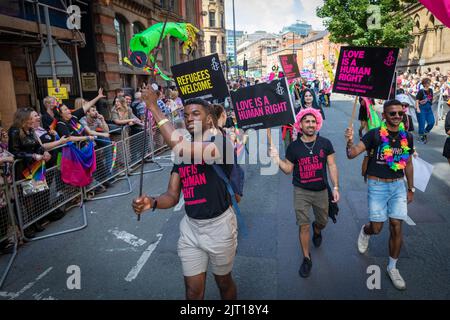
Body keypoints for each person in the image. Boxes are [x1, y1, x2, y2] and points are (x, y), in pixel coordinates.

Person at [133, 88, 238, 300]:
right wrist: (151, 202)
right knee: (192, 291)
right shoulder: (181, 155)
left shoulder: (221, 145)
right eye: (186, 115)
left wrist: (153, 107)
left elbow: (180, 147)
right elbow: (172, 196)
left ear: (209, 119)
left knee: (223, 282)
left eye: (196, 114)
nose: (189, 119)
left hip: (220, 227)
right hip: (191, 229)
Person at [345, 99, 415, 291]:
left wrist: (411, 188)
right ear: (384, 115)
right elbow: (352, 154)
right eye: (392, 113)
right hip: (377, 185)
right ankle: (365, 231)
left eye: (400, 114)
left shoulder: (407, 137)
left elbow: (408, 163)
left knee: (396, 225)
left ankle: (392, 268)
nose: (397, 117)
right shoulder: (374, 135)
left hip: (398, 186)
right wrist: (349, 141)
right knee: (377, 228)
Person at [269, 108, 340, 278]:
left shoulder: (325, 143)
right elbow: (287, 169)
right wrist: (276, 159)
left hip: (322, 191)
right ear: (300, 124)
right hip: (301, 191)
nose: (310, 124)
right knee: (304, 225)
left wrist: (336, 187)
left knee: (322, 222)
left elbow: (332, 165)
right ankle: (307, 258)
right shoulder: (293, 147)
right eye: (307, 121)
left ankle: (318, 230)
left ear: (318, 124)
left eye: (313, 121)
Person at [415, 78, 435, 143]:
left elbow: (432, 98)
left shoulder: (431, 90)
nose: (428, 84)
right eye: (427, 83)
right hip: (421, 109)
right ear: (424, 84)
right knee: (422, 123)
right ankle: (421, 136)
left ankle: (425, 131)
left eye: (429, 83)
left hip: (429, 109)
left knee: (432, 122)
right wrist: (417, 108)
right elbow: (417, 100)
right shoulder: (421, 91)